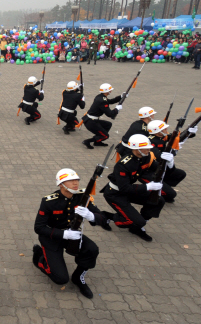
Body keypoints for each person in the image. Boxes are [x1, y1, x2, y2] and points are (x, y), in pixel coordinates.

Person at [33, 169, 110, 299]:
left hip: (73, 235)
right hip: (52, 237)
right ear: (61, 184)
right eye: (71, 181)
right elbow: (39, 228)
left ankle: (78, 277)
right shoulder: (49, 201)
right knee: (60, 278)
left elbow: (101, 217)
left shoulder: (82, 197)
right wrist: (64, 234)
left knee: (92, 249)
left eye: (77, 180)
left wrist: (91, 216)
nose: (76, 183)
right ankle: (40, 258)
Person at [101, 134, 169, 242]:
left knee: (158, 201)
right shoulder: (123, 164)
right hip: (115, 194)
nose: (149, 149)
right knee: (132, 220)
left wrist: (166, 162)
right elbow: (124, 188)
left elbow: (155, 168)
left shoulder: (145, 156)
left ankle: (137, 226)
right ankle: (106, 216)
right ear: (136, 149)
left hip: (129, 190)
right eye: (145, 147)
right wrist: (147, 186)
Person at [146, 120, 194, 203]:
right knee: (171, 195)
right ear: (157, 132)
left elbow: (176, 138)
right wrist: (171, 151)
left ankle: (165, 186)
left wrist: (188, 132)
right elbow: (159, 156)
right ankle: (156, 191)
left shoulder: (161, 136)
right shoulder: (150, 142)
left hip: (160, 168)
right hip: (149, 171)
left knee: (180, 174)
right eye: (164, 129)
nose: (167, 130)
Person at [81, 83, 123, 149]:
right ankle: (87, 141)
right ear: (107, 91)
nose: (111, 91)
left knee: (108, 124)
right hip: (91, 122)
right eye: (110, 90)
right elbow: (110, 114)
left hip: (90, 120)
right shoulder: (102, 101)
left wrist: (121, 96)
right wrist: (117, 109)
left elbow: (110, 101)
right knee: (105, 136)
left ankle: (98, 142)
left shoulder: (100, 97)